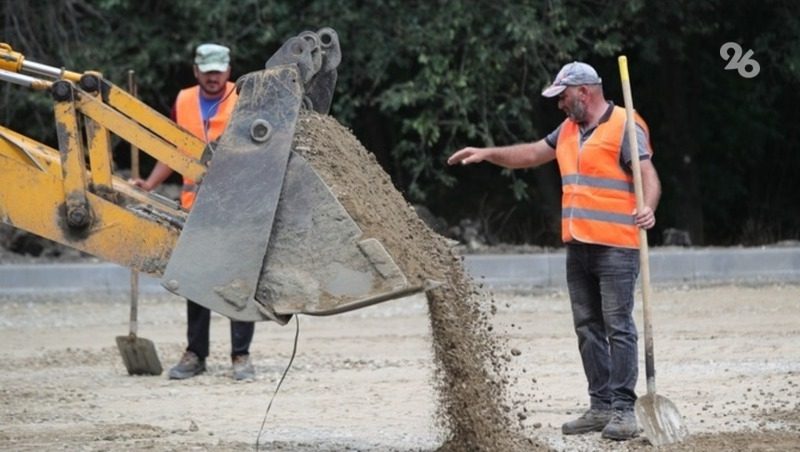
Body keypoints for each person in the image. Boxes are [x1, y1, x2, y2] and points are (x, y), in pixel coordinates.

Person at [447, 61, 661, 440]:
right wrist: (487, 153)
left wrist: (649, 207)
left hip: (616, 246)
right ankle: (600, 407)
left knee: (619, 328)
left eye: (563, 96)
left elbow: (648, 176)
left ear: (584, 92)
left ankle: (624, 410)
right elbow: (531, 154)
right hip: (578, 245)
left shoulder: (625, 126)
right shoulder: (568, 129)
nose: (560, 104)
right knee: (588, 329)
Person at [132, 43, 256, 381]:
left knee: (238, 283)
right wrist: (151, 185)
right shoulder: (184, 100)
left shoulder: (244, 99)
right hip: (196, 210)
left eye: (218, 71)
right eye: (207, 71)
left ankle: (241, 356)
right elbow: (174, 150)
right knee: (196, 282)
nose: (213, 78)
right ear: (196, 71)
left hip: (236, 207)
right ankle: (195, 354)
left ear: (228, 71)